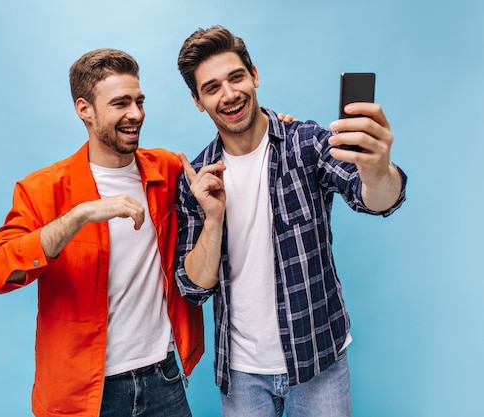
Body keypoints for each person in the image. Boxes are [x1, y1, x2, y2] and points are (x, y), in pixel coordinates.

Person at [174, 25, 407, 417]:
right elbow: (194, 288)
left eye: (236, 77)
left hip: (318, 359)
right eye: (212, 88)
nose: (229, 94)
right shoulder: (198, 178)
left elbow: (375, 199)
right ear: (198, 101)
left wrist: (378, 168)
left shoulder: (306, 143)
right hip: (241, 373)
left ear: (255, 75)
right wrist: (213, 220)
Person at [0, 48, 206, 417]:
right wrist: (81, 215)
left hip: (163, 379)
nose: (136, 114)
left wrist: (270, 130)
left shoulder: (166, 169)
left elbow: (223, 172)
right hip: (86, 394)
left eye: (139, 101)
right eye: (120, 103)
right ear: (84, 109)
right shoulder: (43, 189)